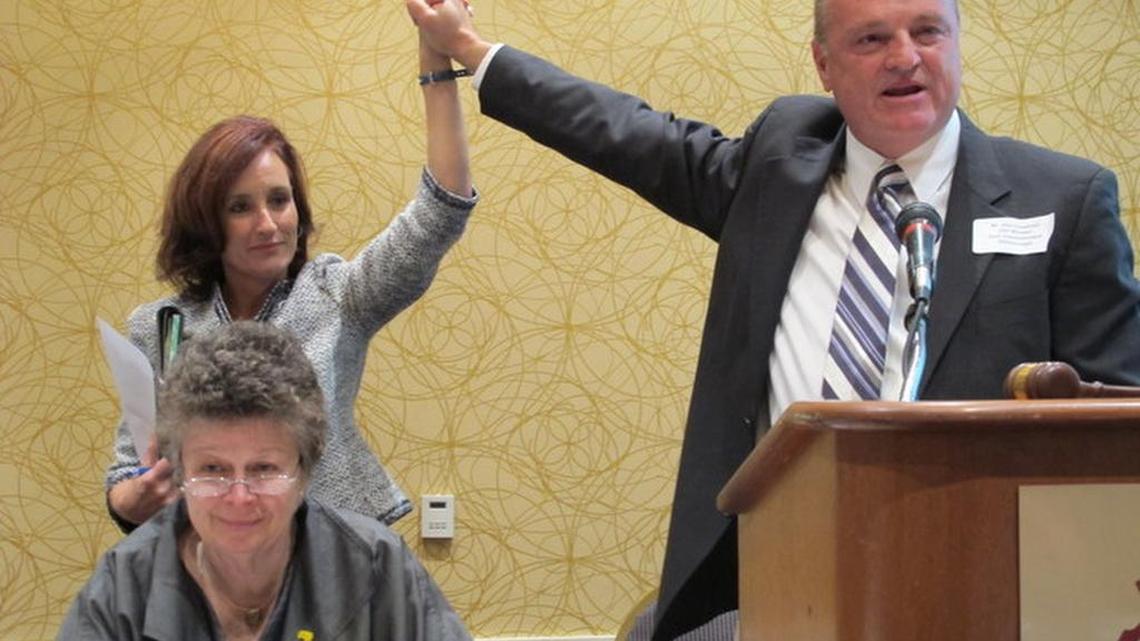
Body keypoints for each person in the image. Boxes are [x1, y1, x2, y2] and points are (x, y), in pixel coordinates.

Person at [406, 0, 1140, 638]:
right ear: (824, 64)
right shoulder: (780, 162)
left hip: (984, 587)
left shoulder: (1063, 200)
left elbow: (1114, 438)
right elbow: (627, 133)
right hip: (769, 582)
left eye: (928, 31)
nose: (906, 58)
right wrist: (470, 51)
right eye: (872, 39)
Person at [105, 36, 477, 531]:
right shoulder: (160, 325)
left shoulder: (336, 294)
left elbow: (440, 211)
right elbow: (128, 471)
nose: (268, 223)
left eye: (279, 200)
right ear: (204, 222)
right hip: (215, 572)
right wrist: (130, 499)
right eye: (240, 207)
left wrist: (437, 63)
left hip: (335, 564)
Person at [62, 321, 472, 640]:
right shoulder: (126, 584)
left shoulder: (374, 566)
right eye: (212, 470)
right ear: (178, 471)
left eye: (264, 469)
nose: (239, 498)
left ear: (304, 471)